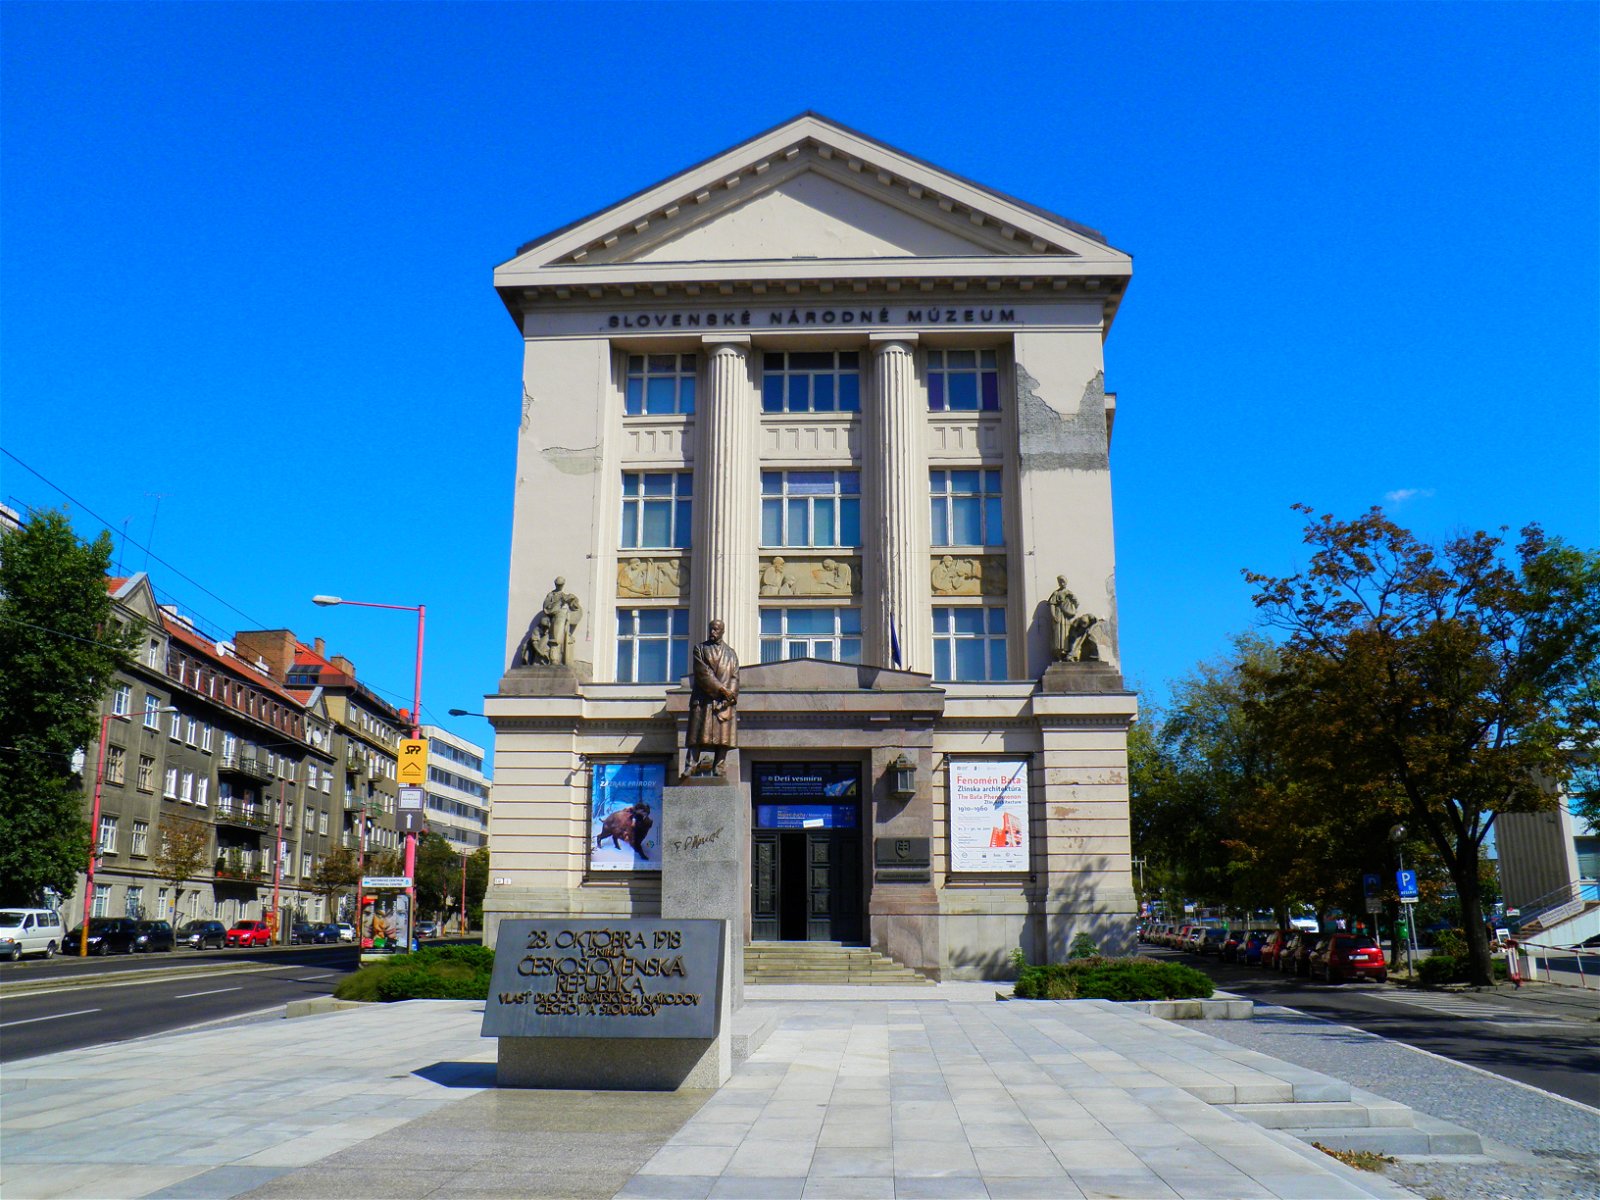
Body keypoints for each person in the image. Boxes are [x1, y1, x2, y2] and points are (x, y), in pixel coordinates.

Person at [686, 619, 739, 776]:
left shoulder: (731, 654)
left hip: (723, 703)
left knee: (723, 738)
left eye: (716, 630)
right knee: (697, 736)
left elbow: (735, 677)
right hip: (703, 700)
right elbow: (703, 673)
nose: (712, 632)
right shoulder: (700, 649)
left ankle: (719, 766)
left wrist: (730, 696)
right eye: (711, 629)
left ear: (722, 631)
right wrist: (723, 690)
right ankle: (691, 765)